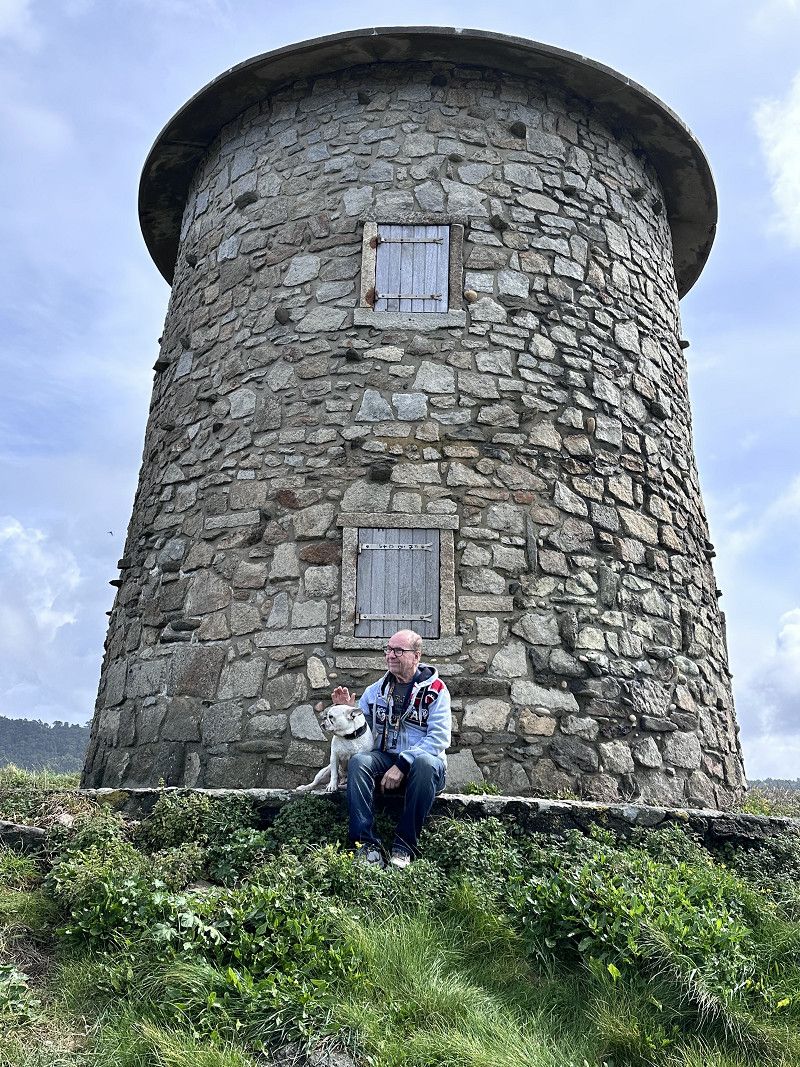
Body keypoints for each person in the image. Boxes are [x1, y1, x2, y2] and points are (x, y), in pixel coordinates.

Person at [331, 628, 451, 869]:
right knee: (360, 762)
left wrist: (404, 763)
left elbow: (439, 738)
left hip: (423, 769)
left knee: (425, 763)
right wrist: (346, 713)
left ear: (416, 656)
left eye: (398, 650)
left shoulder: (437, 691)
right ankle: (366, 846)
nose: (390, 655)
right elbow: (362, 727)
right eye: (388, 649)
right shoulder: (376, 690)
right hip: (385, 760)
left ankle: (403, 847)